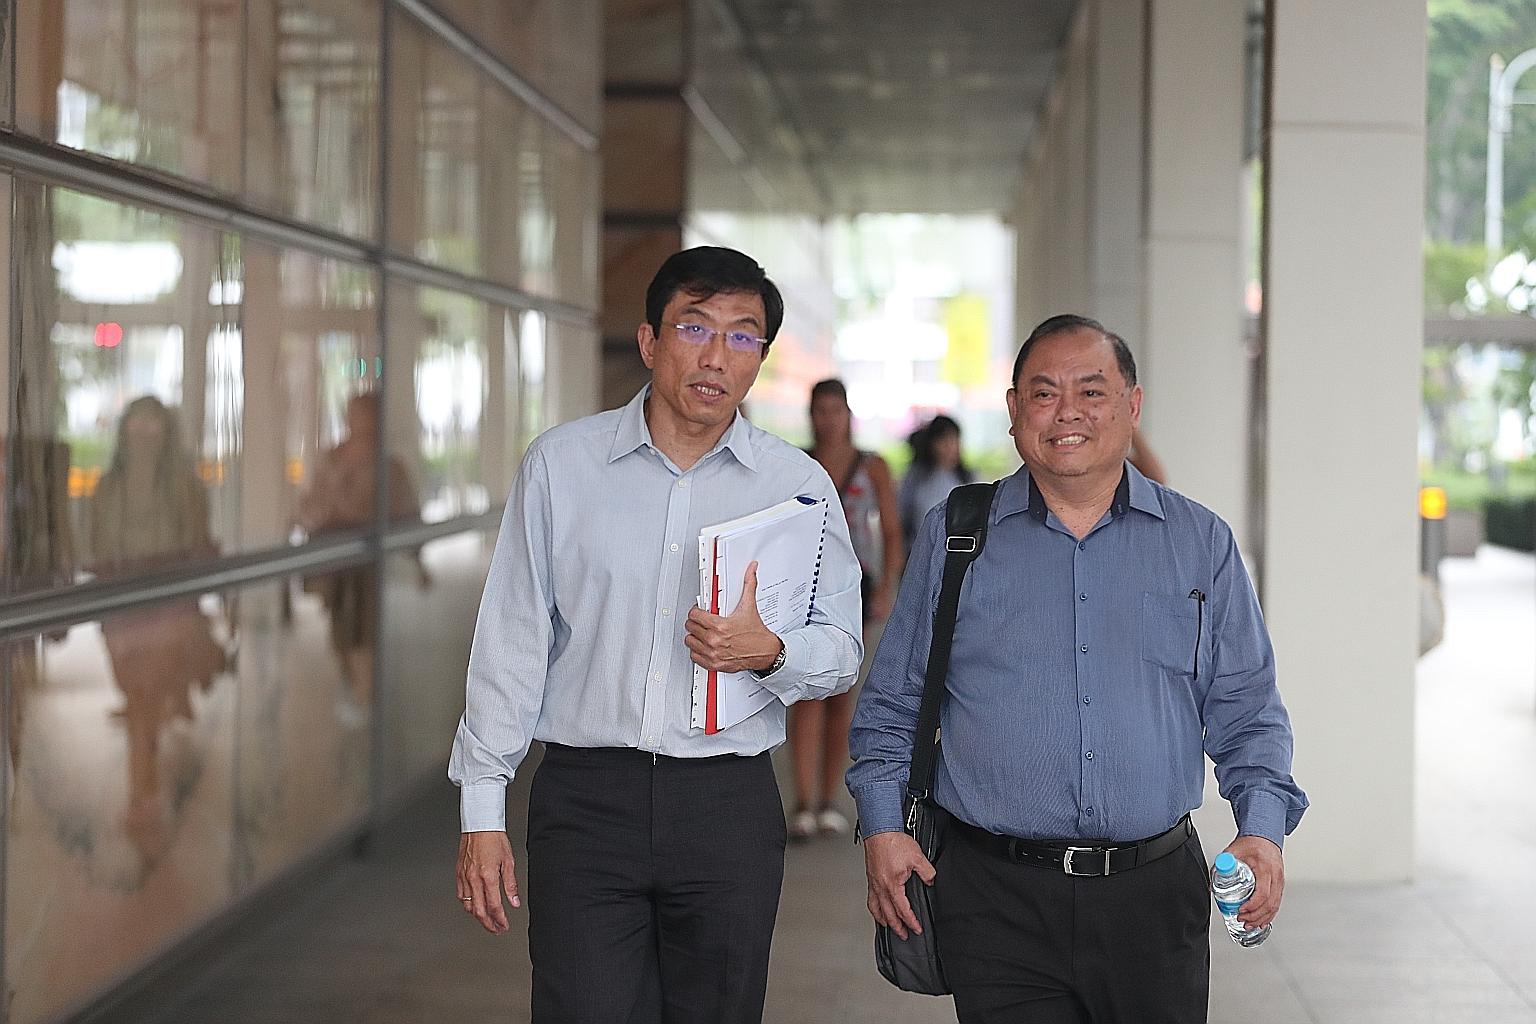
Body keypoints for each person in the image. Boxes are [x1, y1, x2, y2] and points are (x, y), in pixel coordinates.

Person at [848, 314, 1308, 1023]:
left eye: (1091, 392)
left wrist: (1262, 829)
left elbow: (1247, 710)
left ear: (1132, 404)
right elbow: (893, 704)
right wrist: (883, 827)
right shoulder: (958, 535)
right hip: (994, 898)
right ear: (1014, 411)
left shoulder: (1198, 542)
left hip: (1152, 901)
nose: (1067, 413)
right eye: (1044, 393)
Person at [449, 246, 863, 1024]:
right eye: (695, 328)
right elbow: (511, 642)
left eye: (743, 336)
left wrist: (770, 653)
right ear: (649, 341)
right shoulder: (562, 466)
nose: (717, 356)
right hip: (587, 802)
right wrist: (482, 809)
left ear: (760, 358)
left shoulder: (797, 487)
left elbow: (842, 651)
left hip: (727, 804)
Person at [88, 396, 225, 842]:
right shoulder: (108, 487)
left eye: (153, 425)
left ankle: (141, 792)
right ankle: (144, 787)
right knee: (137, 696)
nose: (144, 434)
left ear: (167, 431)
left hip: (168, 608)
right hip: (122, 610)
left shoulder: (186, 486)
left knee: (144, 701)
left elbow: (198, 544)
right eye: (136, 424)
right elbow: (97, 546)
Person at [789, 378, 902, 840]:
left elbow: (891, 531)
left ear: (848, 415)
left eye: (836, 410)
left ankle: (826, 799)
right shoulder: (798, 463)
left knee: (840, 694)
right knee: (805, 692)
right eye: (821, 411)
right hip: (804, 588)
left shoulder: (872, 466)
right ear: (811, 416)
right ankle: (803, 801)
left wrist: (887, 587)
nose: (829, 420)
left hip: (855, 588)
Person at [296, 391, 422, 726]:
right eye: (354, 413)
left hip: (366, 563)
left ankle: (364, 696)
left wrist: (417, 557)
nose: (359, 422)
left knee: (364, 631)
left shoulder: (387, 465)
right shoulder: (333, 458)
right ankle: (354, 687)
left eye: (365, 414)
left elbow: (405, 509)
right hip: (335, 561)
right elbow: (312, 502)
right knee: (341, 632)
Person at [898, 414, 973, 550]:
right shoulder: (917, 477)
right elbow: (902, 515)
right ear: (932, 444)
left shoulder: (968, 477)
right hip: (922, 548)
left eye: (954, 440)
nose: (950, 447)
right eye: (944, 441)